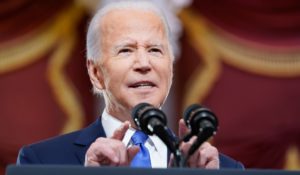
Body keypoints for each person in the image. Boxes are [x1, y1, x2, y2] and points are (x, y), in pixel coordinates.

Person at [17, 0, 243, 169]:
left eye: (155, 50)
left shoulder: (221, 169)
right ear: (96, 73)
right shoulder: (40, 161)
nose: (144, 64)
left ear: (171, 68)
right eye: (126, 50)